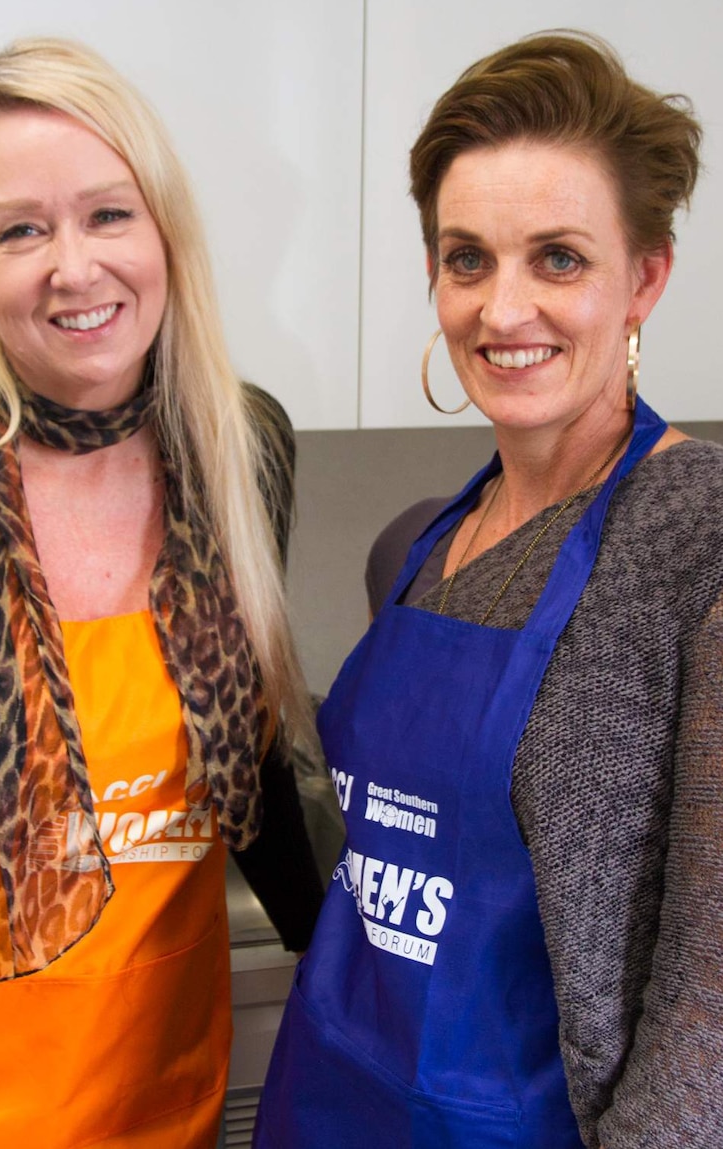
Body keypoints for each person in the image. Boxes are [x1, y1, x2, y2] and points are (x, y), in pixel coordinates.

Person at [254, 29, 723, 1149]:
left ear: (644, 276)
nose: (501, 311)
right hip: (333, 1103)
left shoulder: (696, 539)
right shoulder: (421, 541)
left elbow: (709, 1006)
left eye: (556, 257)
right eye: (467, 259)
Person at [0, 36, 323, 1149]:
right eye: (22, 229)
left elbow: (243, 763)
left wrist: (367, 973)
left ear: (164, 231)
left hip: (171, 1097)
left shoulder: (235, 447)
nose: (75, 267)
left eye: (109, 214)